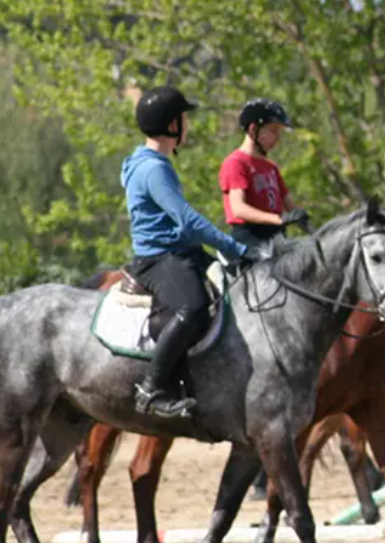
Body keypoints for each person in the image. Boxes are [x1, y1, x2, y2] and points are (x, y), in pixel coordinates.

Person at [124, 86, 252, 418]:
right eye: (184, 118)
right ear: (170, 125)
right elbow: (188, 221)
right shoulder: (154, 169)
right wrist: (232, 245)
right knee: (192, 308)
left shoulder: (153, 162)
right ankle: (150, 389)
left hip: (181, 251)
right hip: (160, 259)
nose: (187, 125)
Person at [219, 98, 308, 260]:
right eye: (273, 131)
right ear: (253, 130)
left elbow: (290, 206)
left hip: (276, 237)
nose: (278, 138)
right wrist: (278, 219)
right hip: (249, 238)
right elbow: (238, 208)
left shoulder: (271, 168)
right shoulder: (235, 163)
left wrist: (310, 228)